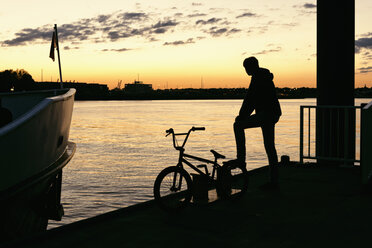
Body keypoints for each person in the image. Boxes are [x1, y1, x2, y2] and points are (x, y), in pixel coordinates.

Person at [226, 57, 281, 189]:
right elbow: (252, 99)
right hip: (271, 113)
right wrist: (244, 114)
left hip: (266, 114)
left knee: (238, 125)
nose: (245, 70)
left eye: (246, 68)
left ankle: (241, 159)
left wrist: (241, 116)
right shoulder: (263, 76)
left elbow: (250, 99)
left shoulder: (258, 78)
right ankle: (273, 181)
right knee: (269, 146)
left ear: (251, 67)